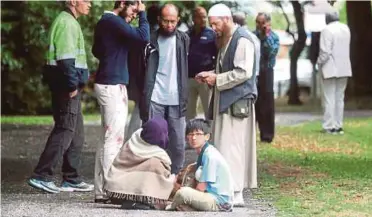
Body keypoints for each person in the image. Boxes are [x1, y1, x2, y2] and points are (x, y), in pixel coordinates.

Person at [27, 0, 93, 193]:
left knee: (76, 133)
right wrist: (72, 85)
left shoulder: (69, 21)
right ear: (73, 1)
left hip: (69, 87)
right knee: (65, 130)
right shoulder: (66, 22)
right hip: (67, 88)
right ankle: (41, 174)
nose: (90, 4)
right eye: (87, 0)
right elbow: (65, 59)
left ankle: (71, 178)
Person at [195, 3, 258, 206]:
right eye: (211, 25)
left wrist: (217, 79)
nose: (213, 28)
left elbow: (243, 72)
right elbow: (225, 68)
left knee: (235, 149)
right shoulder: (226, 39)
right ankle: (228, 190)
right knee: (224, 148)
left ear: (227, 19)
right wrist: (211, 75)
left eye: (215, 24)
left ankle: (236, 193)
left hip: (237, 104)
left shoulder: (243, 40)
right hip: (225, 102)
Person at [92, 0, 150, 203]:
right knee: (113, 140)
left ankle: (101, 190)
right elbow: (143, 37)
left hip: (108, 82)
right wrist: (144, 14)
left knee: (106, 139)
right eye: (134, 8)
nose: (135, 13)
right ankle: (111, 190)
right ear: (123, 3)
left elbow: (96, 51)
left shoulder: (106, 23)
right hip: (112, 84)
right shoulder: (112, 21)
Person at [139, 3, 189, 174]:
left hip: (177, 98)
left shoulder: (184, 39)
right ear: (159, 20)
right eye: (166, 21)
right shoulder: (150, 40)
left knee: (178, 144)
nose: (169, 25)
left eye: (173, 21)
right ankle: (154, 176)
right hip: (155, 98)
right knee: (153, 141)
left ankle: (175, 178)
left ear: (178, 20)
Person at [104, 117, 175, 210]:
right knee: (155, 165)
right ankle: (144, 198)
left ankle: (134, 198)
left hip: (118, 187)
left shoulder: (132, 142)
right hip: (122, 191)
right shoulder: (158, 157)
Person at [167, 119, 234, 212]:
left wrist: (187, 191)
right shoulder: (204, 152)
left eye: (198, 134)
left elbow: (200, 188)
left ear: (207, 136)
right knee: (179, 188)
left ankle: (170, 207)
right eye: (190, 134)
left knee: (183, 193)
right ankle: (183, 205)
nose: (193, 138)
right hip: (209, 196)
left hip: (219, 202)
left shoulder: (210, 156)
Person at [317, 11, 352, 134]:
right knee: (339, 98)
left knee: (329, 97)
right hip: (344, 67)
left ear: (327, 19)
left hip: (330, 67)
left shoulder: (327, 30)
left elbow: (325, 51)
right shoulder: (345, 28)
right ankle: (338, 125)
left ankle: (328, 126)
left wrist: (319, 63)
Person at [186, 6, 217, 121]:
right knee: (189, 113)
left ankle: (211, 135)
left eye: (205, 17)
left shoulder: (212, 34)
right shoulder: (187, 34)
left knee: (209, 111)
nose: (204, 19)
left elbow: (217, 55)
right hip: (190, 78)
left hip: (205, 79)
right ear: (194, 18)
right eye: (201, 17)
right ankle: (189, 136)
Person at [253, 12, 280, 144]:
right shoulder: (252, 36)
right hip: (254, 72)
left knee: (267, 104)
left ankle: (267, 135)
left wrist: (266, 36)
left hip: (267, 72)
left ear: (268, 23)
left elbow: (271, 52)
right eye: (257, 22)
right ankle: (251, 133)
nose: (259, 25)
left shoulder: (273, 37)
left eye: (262, 22)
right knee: (254, 102)